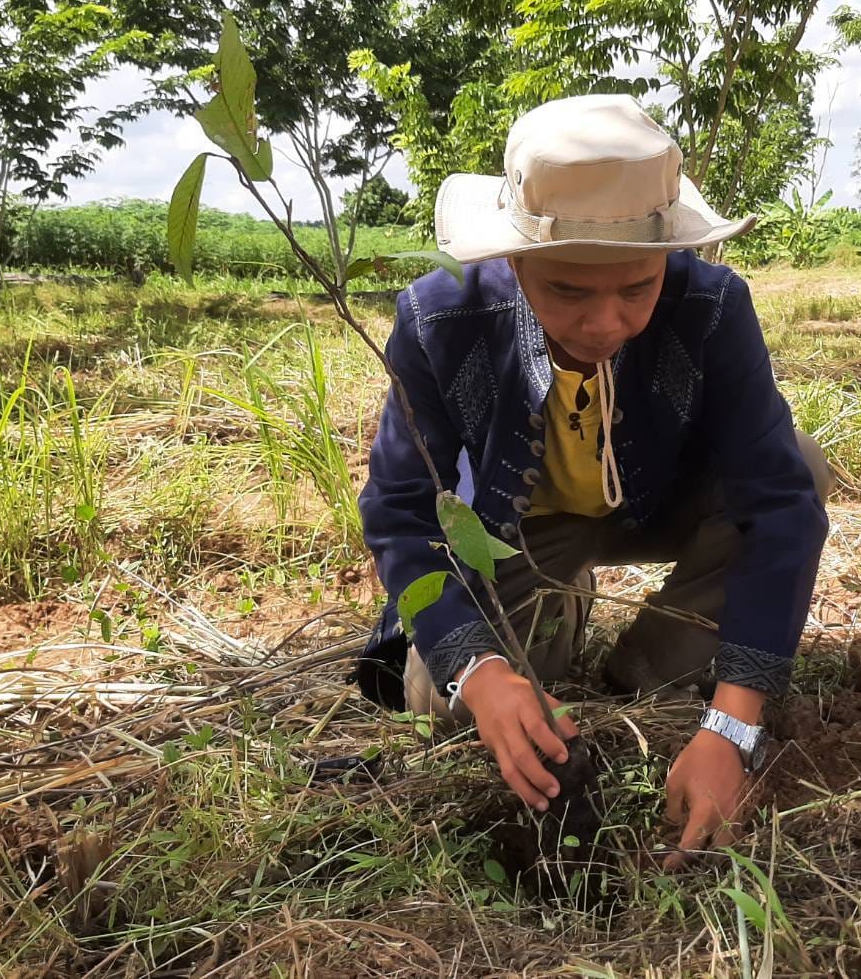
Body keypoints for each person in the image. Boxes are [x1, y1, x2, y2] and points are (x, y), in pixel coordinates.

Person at [354, 94, 832, 865]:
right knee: (445, 706)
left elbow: (777, 503)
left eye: (636, 289)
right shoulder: (438, 321)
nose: (605, 323)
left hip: (655, 503)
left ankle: (647, 669)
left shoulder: (711, 307)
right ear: (514, 262)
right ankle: (558, 594)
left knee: (800, 463)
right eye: (568, 291)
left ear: (667, 258)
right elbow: (400, 512)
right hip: (516, 532)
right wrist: (478, 673)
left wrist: (730, 728)